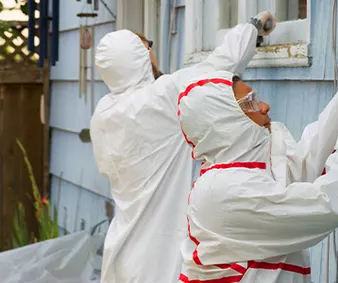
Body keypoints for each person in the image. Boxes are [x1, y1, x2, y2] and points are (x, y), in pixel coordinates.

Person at [173, 10, 338, 283]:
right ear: (224, 121)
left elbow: (310, 156)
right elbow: (322, 207)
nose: (265, 106)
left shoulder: (250, 171)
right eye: (250, 102)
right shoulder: (223, 192)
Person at [89, 12, 275, 283]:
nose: (152, 52)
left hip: (121, 252)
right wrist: (253, 27)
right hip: (161, 258)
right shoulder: (162, 97)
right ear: (141, 56)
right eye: (147, 47)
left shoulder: (103, 114)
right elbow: (219, 65)